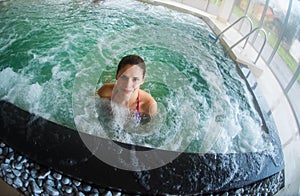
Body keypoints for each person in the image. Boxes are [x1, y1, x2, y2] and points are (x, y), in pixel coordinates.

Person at [97, 55, 157, 122]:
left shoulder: (148, 106)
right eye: (124, 77)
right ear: (117, 76)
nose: (127, 85)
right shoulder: (106, 91)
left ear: (142, 80)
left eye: (135, 79)